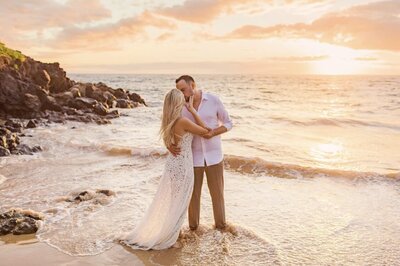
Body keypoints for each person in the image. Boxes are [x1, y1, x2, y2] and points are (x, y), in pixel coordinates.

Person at [120, 88, 210, 250]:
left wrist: (169, 146)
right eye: (182, 99)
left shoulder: (168, 121)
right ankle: (170, 237)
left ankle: (171, 232)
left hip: (173, 163)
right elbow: (206, 131)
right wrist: (193, 111)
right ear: (178, 103)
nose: (185, 100)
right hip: (183, 165)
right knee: (181, 200)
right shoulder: (183, 121)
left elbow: (168, 140)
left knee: (174, 200)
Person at [170, 75, 233, 230]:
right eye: (179, 91)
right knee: (193, 196)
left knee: (217, 195)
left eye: (183, 90)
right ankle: (193, 229)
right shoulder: (180, 107)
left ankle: (221, 228)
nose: (182, 94)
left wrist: (214, 132)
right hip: (193, 158)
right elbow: (170, 127)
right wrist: (169, 145)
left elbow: (229, 123)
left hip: (215, 156)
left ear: (193, 85)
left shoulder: (213, 100)